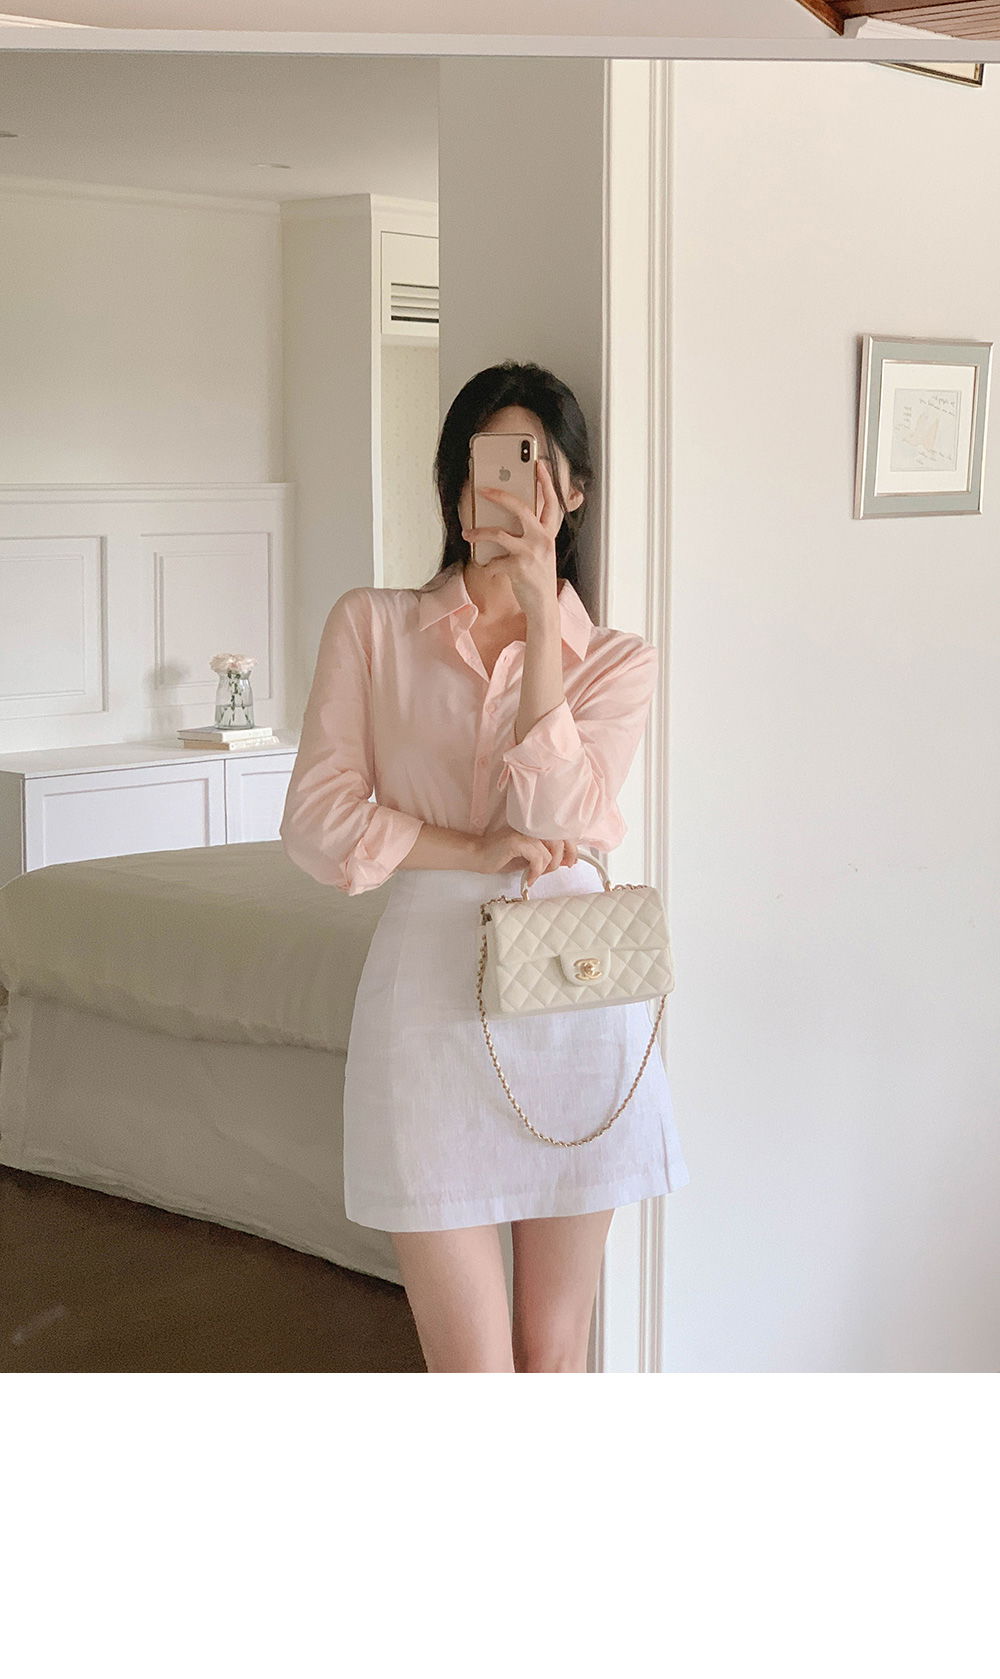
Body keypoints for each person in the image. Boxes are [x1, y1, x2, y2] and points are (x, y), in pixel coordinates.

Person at [280, 359, 690, 1374]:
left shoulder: (616, 660)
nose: (505, 487)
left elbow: (565, 820)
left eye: (534, 464)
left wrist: (544, 624)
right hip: (428, 1000)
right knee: (472, 1372)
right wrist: (467, 849)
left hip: (576, 995)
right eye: (486, 461)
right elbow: (319, 823)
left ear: (575, 491)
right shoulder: (373, 625)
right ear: (453, 481)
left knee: (554, 1356)